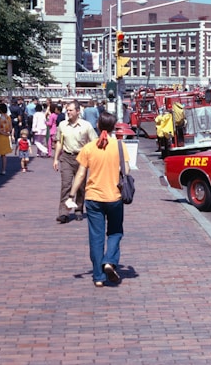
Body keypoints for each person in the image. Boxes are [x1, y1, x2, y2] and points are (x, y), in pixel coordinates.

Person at [66, 111, 129, 287]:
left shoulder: (89, 148)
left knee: (96, 237)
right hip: (114, 197)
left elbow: (80, 174)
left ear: (98, 126)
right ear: (113, 127)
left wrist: (72, 195)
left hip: (93, 198)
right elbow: (127, 172)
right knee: (116, 232)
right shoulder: (119, 146)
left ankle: (98, 277)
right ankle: (109, 261)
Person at [53, 100, 98, 224]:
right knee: (66, 185)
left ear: (78, 111)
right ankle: (63, 213)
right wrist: (56, 158)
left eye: (71, 110)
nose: (68, 112)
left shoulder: (86, 126)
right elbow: (59, 142)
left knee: (80, 187)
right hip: (66, 157)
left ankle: (78, 209)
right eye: (67, 110)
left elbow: (94, 142)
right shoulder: (62, 125)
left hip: (81, 158)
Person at [0, 103, 13, 175]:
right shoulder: (8, 118)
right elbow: (10, 128)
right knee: (4, 155)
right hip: (6, 137)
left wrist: (2, 133)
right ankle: (3, 170)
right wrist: (7, 133)